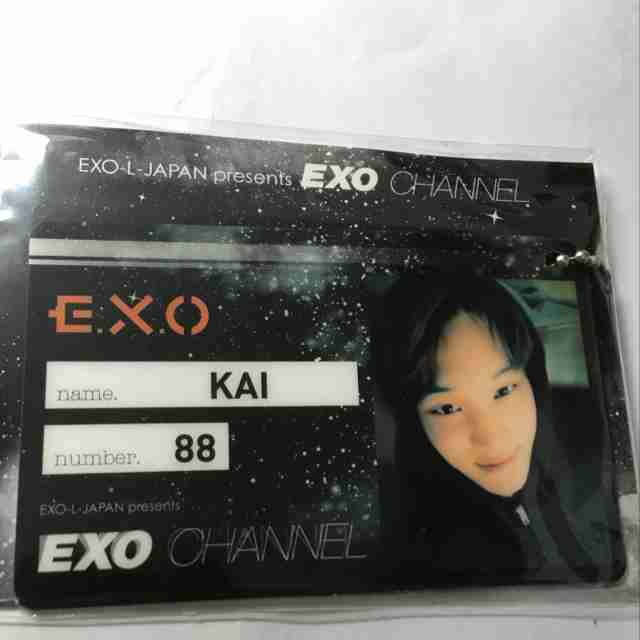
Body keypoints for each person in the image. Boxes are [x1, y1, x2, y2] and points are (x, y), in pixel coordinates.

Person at [372, 268, 622, 586]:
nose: (491, 436)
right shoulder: (415, 562)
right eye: (447, 408)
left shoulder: (599, 454)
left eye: (504, 390)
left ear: (533, 380)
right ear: (413, 424)